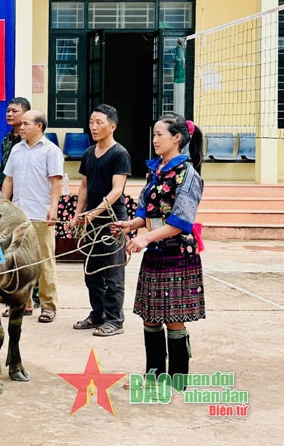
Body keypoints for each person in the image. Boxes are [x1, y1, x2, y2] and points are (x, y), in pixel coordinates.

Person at [113, 114, 205, 392]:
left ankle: (178, 380)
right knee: (151, 316)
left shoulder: (188, 174)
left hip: (178, 254)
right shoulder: (156, 171)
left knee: (174, 318)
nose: (154, 140)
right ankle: (153, 377)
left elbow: (180, 221)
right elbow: (146, 211)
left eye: (159, 135)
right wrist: (131, 224)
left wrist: (146, 237)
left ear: (177, 138)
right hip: (155, 251)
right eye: (153, 135)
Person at [69, 104, 132, 337]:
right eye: (91, 122)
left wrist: (95, 212)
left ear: (112, 126)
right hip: (91, 221)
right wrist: (78, 214)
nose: (93, 127)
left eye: (99, 123)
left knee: (112, 273)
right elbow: (84, 185)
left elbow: (117, 190)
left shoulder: (119, 154)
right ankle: (97, 315)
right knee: (92, 272)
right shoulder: (88, 153)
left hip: (112, 222)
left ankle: (115, 320)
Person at [1, 110, 63, 323]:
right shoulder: (16, 149)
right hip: (18, 215)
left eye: (26, 123)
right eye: (21, 124)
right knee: (16, 261)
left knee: (45, 261)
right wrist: (3, 206)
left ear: (39, 126)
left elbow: (56, 182)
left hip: (41, 215)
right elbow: (8, 180)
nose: (21, 127)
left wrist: (54, 208)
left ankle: (48, 305)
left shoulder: (51, 151)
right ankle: (22, 302)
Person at [1, 97, 31, 173]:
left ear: (26, 114)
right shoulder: (6, 138)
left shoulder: (32, 138)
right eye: (8, 111)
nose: (9, 114)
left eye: (14, 111)